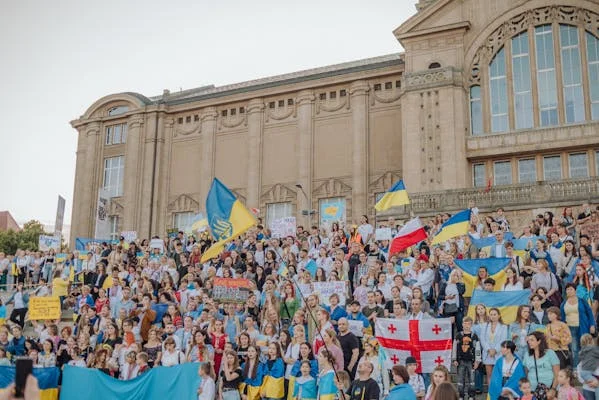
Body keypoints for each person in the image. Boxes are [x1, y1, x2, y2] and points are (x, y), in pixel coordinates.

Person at [561, 282, 596, 368]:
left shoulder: (582, 301)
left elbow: (590, 313)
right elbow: (562, 318)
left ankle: (588, 366)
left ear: (575, 290)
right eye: (567, 290)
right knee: (574, 349)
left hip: (583, 327)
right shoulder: (563, 304)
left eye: (571, 289)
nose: (569, 291)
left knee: (585, 347)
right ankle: (576, 368)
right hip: (570, 329)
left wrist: (592, 324)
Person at [453, 316, 481, 400]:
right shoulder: (458, 336)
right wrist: (454, 359)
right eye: (465, 323)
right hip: (460, 361)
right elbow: (454, 348)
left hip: (471, 361)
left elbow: (478, 349)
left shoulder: (474, 336)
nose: (467, 325)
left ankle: (471, 395)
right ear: (462, 324)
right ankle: (461, 395)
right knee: (460, 380)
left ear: (471, 325)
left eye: (469, 324)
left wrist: (477, 361)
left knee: (472, 380)